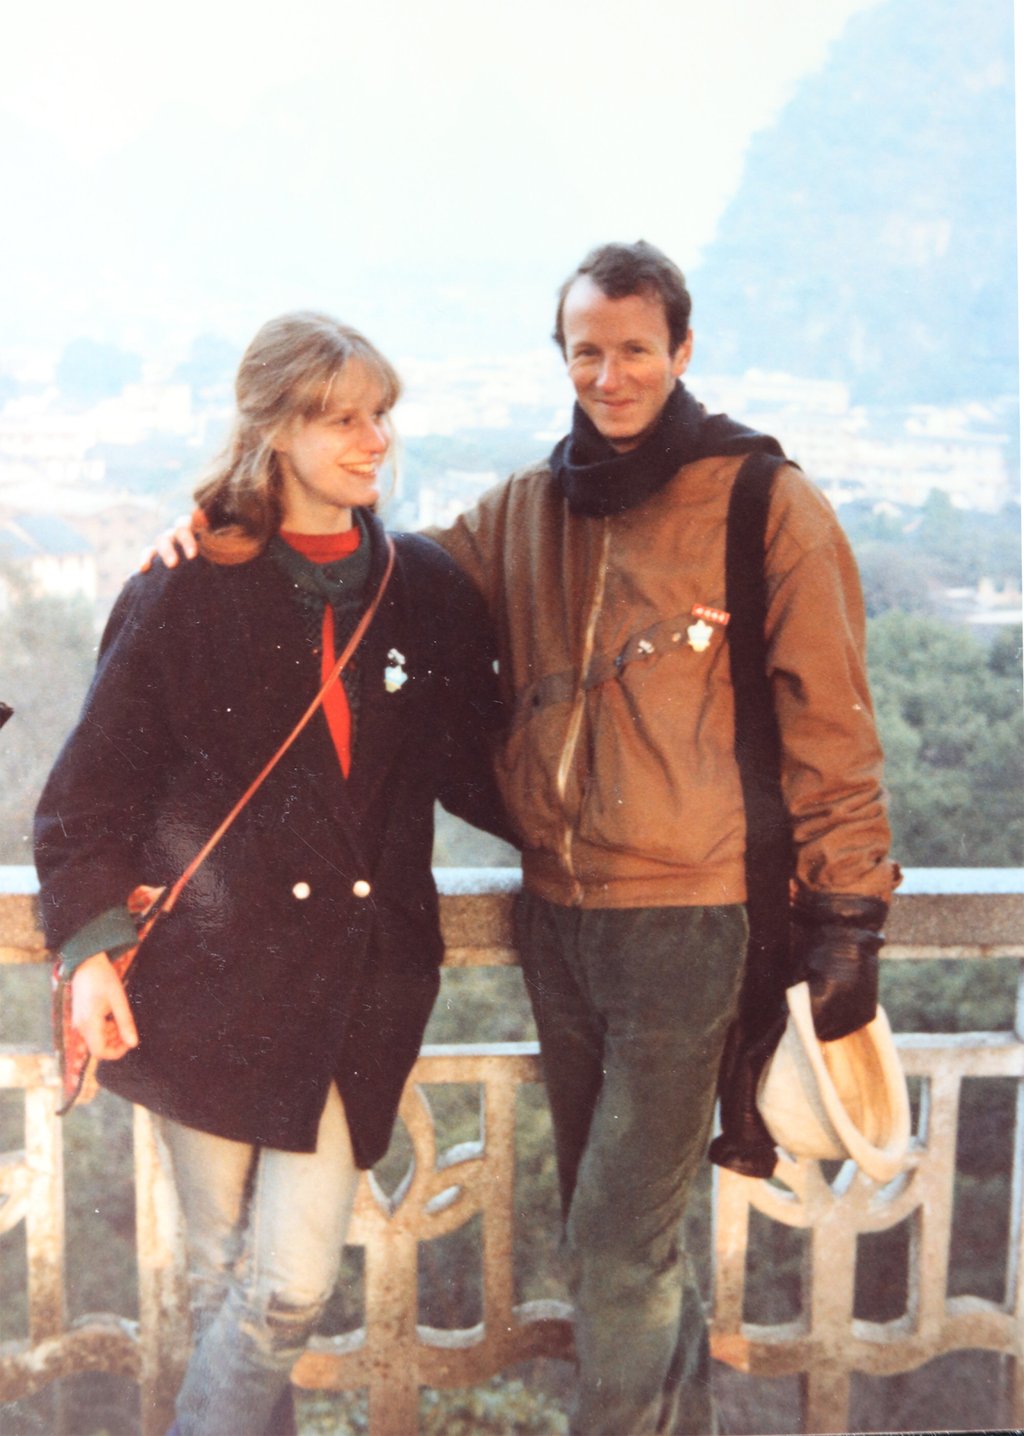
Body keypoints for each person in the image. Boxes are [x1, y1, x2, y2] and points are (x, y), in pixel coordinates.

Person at [150, 242, 897, 1436]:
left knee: (612, 1234)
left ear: (682, 350)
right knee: (631, 1232)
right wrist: (223, 519)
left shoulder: (761, 502)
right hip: (559, 916)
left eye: (634, 348)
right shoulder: (528, 508)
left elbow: (832, 725)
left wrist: (849, 917)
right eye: (586, 350)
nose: (609, 374)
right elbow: (380, 576)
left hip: (691, 919)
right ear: (563, 356)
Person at [35, 312, 510, 1436]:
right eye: (341, 417)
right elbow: (88, 792)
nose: (372, 440)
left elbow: (486, 770)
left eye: (380, 415)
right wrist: (92, 947)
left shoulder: (423, 587)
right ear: (276, 426)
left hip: (355, 985)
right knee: (220, 1281)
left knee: (284, 1286)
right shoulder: (184, 588)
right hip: (203, 980)